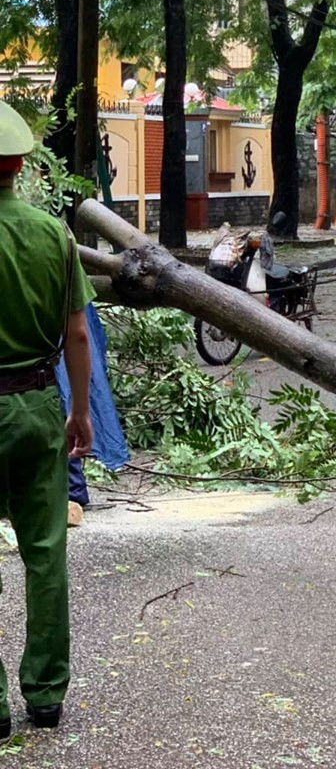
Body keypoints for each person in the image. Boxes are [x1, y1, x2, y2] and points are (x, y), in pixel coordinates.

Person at [0, 101, 95, 737]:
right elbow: (78, 335)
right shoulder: (52, 234)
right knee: (44, 552)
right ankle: (45, 695)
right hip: (37, 404)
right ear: (21, 164)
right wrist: (81, 413)